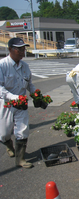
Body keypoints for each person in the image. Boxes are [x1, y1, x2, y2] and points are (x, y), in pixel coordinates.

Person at [0, 38, 37, 168]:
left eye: (23, 49)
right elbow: (0, 88)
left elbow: (29, 84)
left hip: (21, 104)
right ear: (10, 49)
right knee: (4, 133)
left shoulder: (25, 66)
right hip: (6, 103)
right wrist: (13, 97)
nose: (22, 52)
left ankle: (20, 158)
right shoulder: (2, 65)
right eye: (19, 49)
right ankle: (8, 145)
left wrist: (36, 95)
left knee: (23, 130)